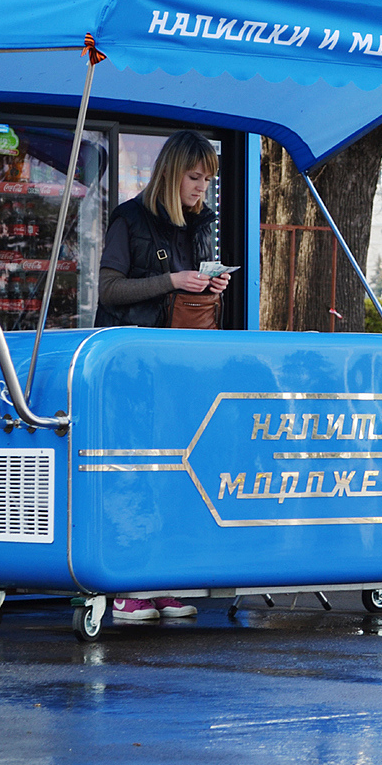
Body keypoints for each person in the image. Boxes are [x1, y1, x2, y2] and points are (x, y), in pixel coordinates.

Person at [94, 130, 232, 620]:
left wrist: (210, 285)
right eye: (195, 178)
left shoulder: (199, 224)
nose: (202, 189)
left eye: (208, 180)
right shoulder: (128, 218)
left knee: (175, 471)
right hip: (131, 367)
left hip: (179, 365)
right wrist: (174, 280)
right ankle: (127, 587)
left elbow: (186, 294)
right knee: (132, 472)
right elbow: (108, 290)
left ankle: (162, 579)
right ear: (173, 174)